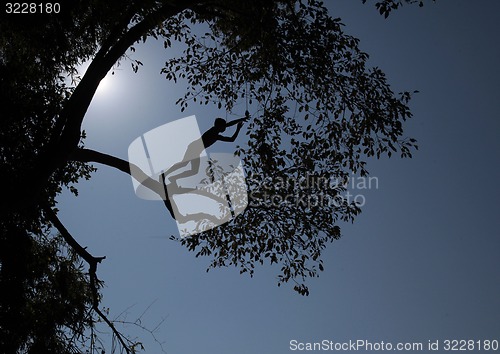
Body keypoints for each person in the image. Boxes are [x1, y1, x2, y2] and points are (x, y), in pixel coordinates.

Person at [161, 111, 249, 185]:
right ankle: (165, 174)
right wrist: (238, 128)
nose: (225, 128)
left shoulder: (216, 131)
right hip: (194, 148)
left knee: (193, 170)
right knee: (184, 164)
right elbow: (231, 139)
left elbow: (228, 125)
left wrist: (242, 119)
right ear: (219, 126)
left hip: (195, 149)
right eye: (223, 126)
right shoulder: (214, 133)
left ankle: (172, 178)